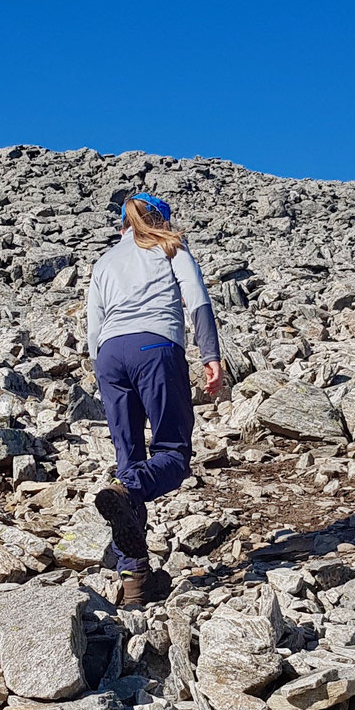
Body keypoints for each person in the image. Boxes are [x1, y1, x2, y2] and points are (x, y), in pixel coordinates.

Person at [87, 190, 222, 605]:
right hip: (155, 348)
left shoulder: (105, 261)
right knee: (173, 456)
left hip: (110, 355)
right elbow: (196, 299)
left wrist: (102, 368)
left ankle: (135, 579)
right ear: (161, 221)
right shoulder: (169, 247)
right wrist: (211, 355)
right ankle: (126, 488)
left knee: (128, 456)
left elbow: (93, 326)